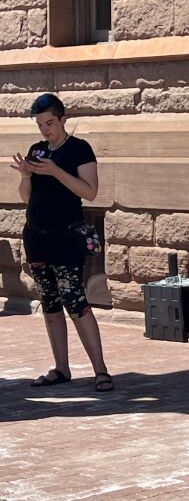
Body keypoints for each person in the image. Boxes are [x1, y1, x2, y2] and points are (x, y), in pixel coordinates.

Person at [10, 93, 113, 393]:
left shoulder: (79, 150)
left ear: (63, 119)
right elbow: (26, 197)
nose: (45, 130)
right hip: (37, 238)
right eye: (40, 125)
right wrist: (27, 175)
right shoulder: (37, 150)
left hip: (66, 238)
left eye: (50, 123)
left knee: (76, 302)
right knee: (50, 304)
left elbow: (90, 192)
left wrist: (56, 170)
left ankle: (101, 370)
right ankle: (61, 368)